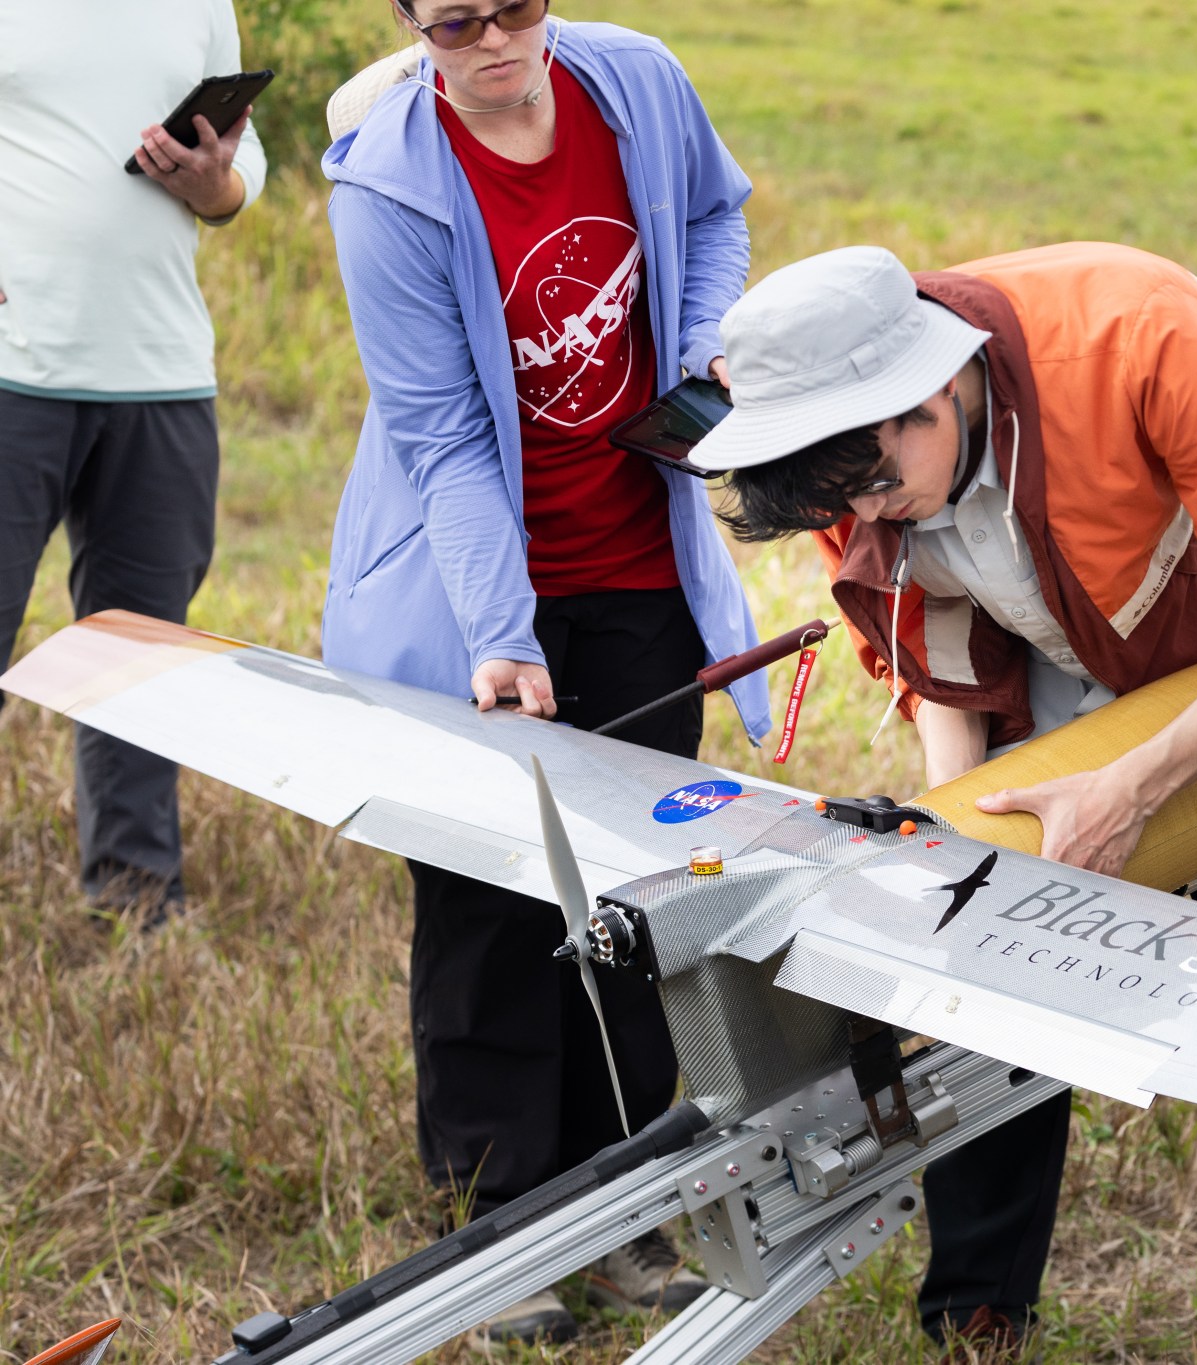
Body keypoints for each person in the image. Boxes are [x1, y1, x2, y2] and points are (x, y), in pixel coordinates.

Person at [693, 242, 1197, 1365]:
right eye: (842, 503)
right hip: (1044, 706)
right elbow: (927, 646)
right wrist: (958, 828)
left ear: (932, 392)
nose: (871, 514)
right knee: (980, 993)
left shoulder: (1143, 338)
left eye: (881, 487)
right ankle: (977, 1322)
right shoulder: (840, 452)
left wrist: (1130, 789)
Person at [320, 0, 769, 1343]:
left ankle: (621, 1218)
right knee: (487, 910)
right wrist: (502, 634)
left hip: (640, 569)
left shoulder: (639, 81)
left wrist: (696, 349)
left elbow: (712, 213)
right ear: (410, 24)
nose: (496, 40)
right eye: (457, 21)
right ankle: (496, 1235)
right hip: (477, 586)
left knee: (626, 903)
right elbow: (443, 435)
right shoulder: (387, 190)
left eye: (517, 7)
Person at [0, 0, 266, 924]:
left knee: (141, 662)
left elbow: (241, 168)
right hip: (12, 369)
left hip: (160, 371)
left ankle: (137, 898)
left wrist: (214, 184)